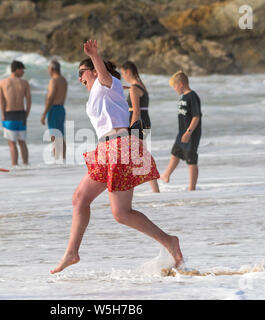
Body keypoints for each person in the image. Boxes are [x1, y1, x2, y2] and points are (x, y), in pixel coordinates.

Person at [51, 40, 183, 274]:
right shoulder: (95, 95)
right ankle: (72, 252)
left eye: (81, 73)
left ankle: (169, 241)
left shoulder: (108, 84)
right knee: (87, 202)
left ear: (92, 70)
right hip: (107, 149)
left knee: (116, 212)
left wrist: (94, 56)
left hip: (119, 147)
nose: (79, 78)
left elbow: (102, 74)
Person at [120, 60, 160, 193]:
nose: (123, 77)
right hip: (145, 121)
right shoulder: (141, 85)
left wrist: (130, 129)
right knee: (141, 155)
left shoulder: (134, 88)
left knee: (136, 156)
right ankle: (153, 189)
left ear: (128, 72)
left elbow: (136, 111)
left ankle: (127, 188)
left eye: (123, 74)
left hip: (138, 123)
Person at [161, 71, 202, 191]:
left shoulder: (192, 96)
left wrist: (188, 132)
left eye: (175, 86)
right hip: (181, 133)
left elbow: (196, 116)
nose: (174, 89)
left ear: (181, 84)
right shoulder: (183, 97)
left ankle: (192, 187)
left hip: (191, 134)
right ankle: (166, 175)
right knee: (175, 153)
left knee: (191, 159)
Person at [0, 60, 31, 166]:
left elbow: (2, 101)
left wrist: (3, 115)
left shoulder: (2, 83)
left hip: (9, 115)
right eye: (22, 70)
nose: (23, 73)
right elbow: (29, 101)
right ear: (16, 69)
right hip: (22, 114)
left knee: (12, 143)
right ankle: (26, 165)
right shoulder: (25, 83)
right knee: (22, 142)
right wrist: (27, 114)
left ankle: (15, 166)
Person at [41, 60, 68, 160]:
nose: (48, 71)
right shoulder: (63, 80)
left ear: (52, 69)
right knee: (60, 135)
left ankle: (57, 159)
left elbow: (50, 97)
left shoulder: (54, 80)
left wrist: (44, 114)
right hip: (61, 108)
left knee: (54, 135)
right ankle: (63, 158)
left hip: (54, 109)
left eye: (48, 68)